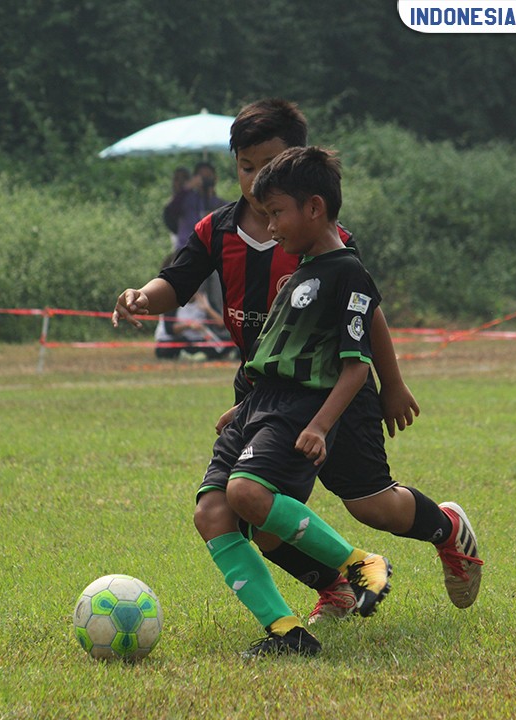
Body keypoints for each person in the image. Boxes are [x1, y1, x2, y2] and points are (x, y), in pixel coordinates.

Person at [114, 99, 482, 622]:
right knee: (255, 505)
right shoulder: (216, 231)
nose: (255, 178)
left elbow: (365, 308)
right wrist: (143, 298)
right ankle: (335, 587)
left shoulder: (316, 234)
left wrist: (394, 383)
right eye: (245, 167)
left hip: (334, 387)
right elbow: (177, 282)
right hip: (268, 389)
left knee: (369, 504)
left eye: (268, 166)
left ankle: (445, 528)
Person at [198, 146, 392, 656]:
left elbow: (356, 364)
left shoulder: (349, 274)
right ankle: (287, 632)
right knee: (213, 514)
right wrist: (242, 409)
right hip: (259, 404)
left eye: (276, 213)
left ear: (314, 208)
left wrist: (321, 426)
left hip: (297, 408)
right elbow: (275, 353)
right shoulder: (300, 271)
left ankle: (359, 563)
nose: (269, 226)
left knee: (246, 495)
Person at [164, 161, 225, 252]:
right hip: (186, 250)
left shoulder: (221, 204)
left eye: (208, 176)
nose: (205, 179)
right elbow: (170, 211)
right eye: (201, 176)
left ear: (215, 178)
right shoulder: (186, 199)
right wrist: (187, 187)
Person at [162, 167, 190, 249]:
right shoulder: (172, 205)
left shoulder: (197, 200)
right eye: (177, 179)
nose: (181, 182)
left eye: (184, 178)